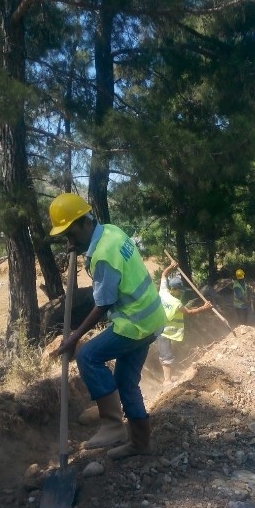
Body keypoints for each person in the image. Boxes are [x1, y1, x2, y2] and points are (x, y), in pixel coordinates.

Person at [48, 193, 166, 460]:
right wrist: (78, 249)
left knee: (88, 355)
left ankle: (113, 425)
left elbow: (103, 304)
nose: (68, 239)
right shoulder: (111, 231)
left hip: (135, 322)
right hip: (151, 316)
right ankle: (140, 443)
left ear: (82, 223)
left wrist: (74, 338)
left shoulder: (103, 255)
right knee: (126, 382)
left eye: (69, 233)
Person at [158, 260, 212, 386]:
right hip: (164, 332)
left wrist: (171, 267)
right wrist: (204, 308)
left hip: (160, 329)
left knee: (166, 353)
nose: (181, 293)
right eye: (180, 291)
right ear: (174, 289)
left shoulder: (163, 292)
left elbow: (163, 275)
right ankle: (167, 381)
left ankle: (169, 376)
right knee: (166, 356)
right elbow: (188, 312)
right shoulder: (175, 303)